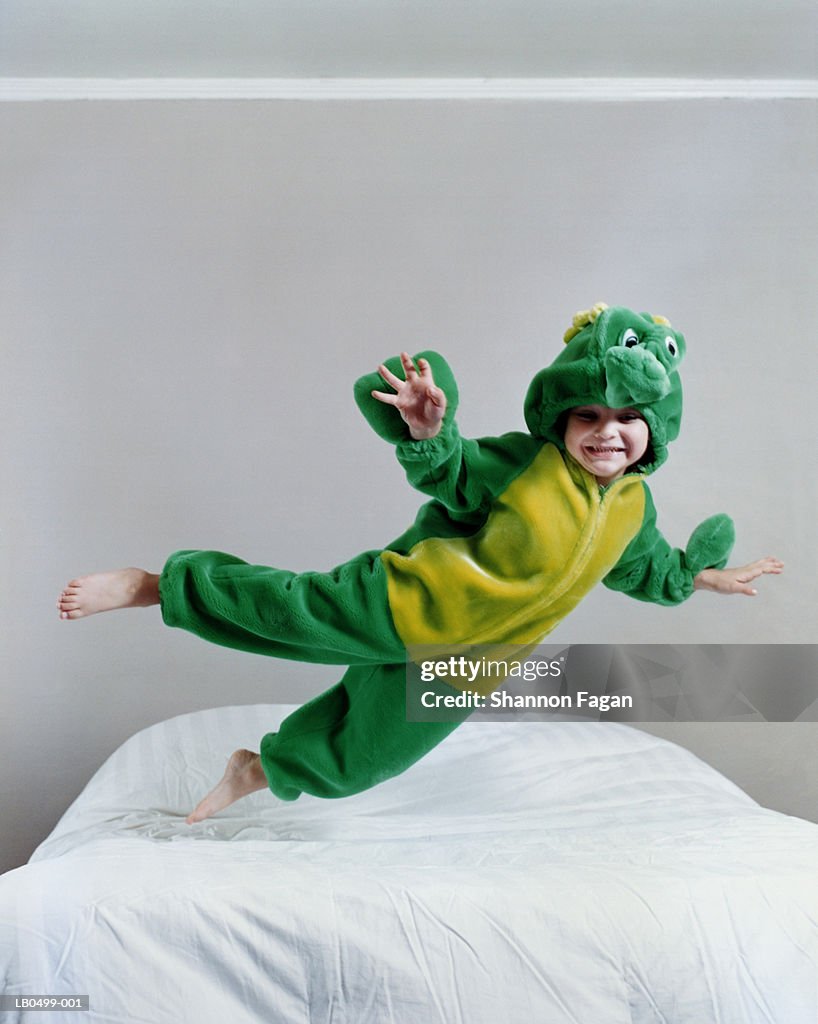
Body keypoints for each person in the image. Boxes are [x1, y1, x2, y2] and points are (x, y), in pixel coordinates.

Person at [57, 303, 783, 822]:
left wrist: (698, 575)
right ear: (560, 420)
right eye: (587, 416)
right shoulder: (521, 465)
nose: (606, 434)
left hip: (475, 659)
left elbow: (641, 568)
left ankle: (261, 768)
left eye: (626, 420)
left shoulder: (634, 509)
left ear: (650, 434)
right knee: (288, 614)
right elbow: (452, 472)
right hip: (408, 600)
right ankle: (156, 585)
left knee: (374, 751)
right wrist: (429, 430)